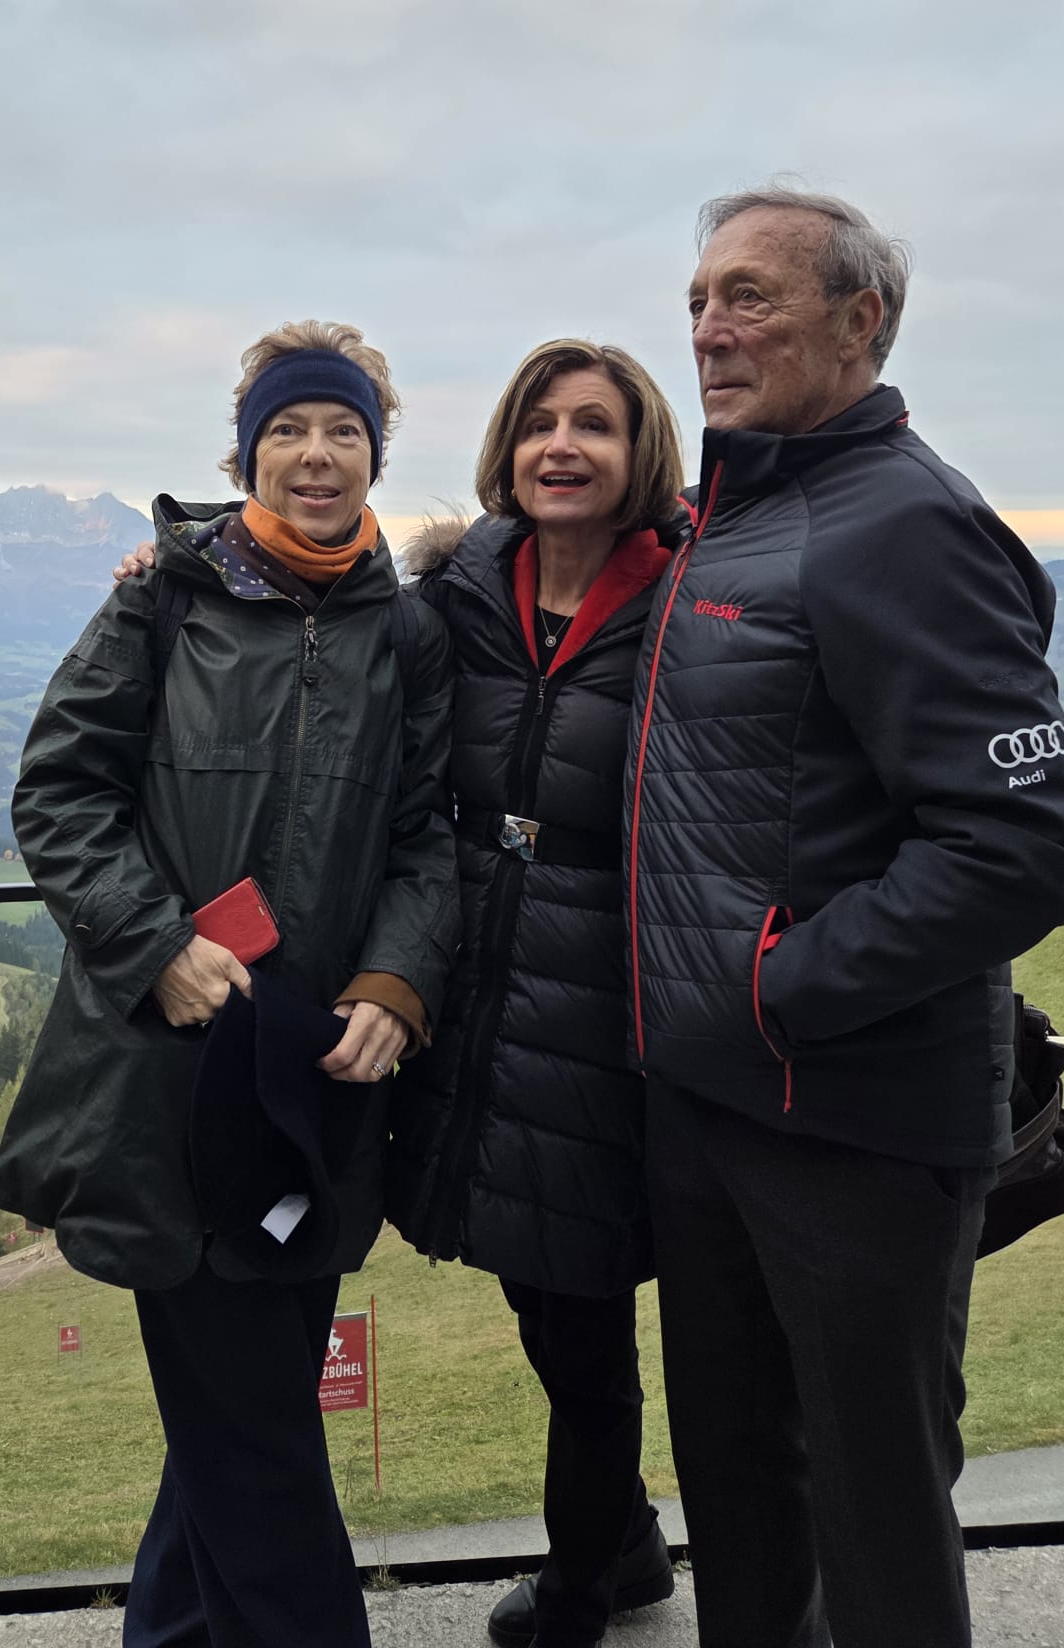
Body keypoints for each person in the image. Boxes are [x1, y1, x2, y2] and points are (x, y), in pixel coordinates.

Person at [628, 185, 1064, 1648]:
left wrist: (775, 990)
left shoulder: (906, 523)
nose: (709, 328)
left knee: (873, 1514)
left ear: (860, 319)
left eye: (749, 296)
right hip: (718, 1110)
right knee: (739, 1494)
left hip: (855, 1125)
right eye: (699, 300)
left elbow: (1024, 841)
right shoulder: (739, 516)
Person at [0, 320, 459, 1648]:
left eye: (344, 431)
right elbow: (59, 794)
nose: (316, 456)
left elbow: (426, 837)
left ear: (376, 455)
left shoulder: (406, 632)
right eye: (287, 431)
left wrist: (398, 981)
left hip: (319, 1071)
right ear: (245, 453)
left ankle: (169, 1633)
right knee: (255, 1437)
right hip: (172, 1072)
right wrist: (155, 948)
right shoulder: (163, 600)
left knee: (245, 1409)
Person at [388, 340, 683, 1648]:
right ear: (507, 447)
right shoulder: (458, 592)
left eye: (595, 425)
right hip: (475, 982)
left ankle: (584, 1588)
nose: (563, 446)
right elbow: (307, 600)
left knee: (584, 1313)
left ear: (639, 452)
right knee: (538, 1292)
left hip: (603, 995)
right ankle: (628, 1542)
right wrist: (168, 567)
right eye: (541, 423)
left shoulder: (686, 598)